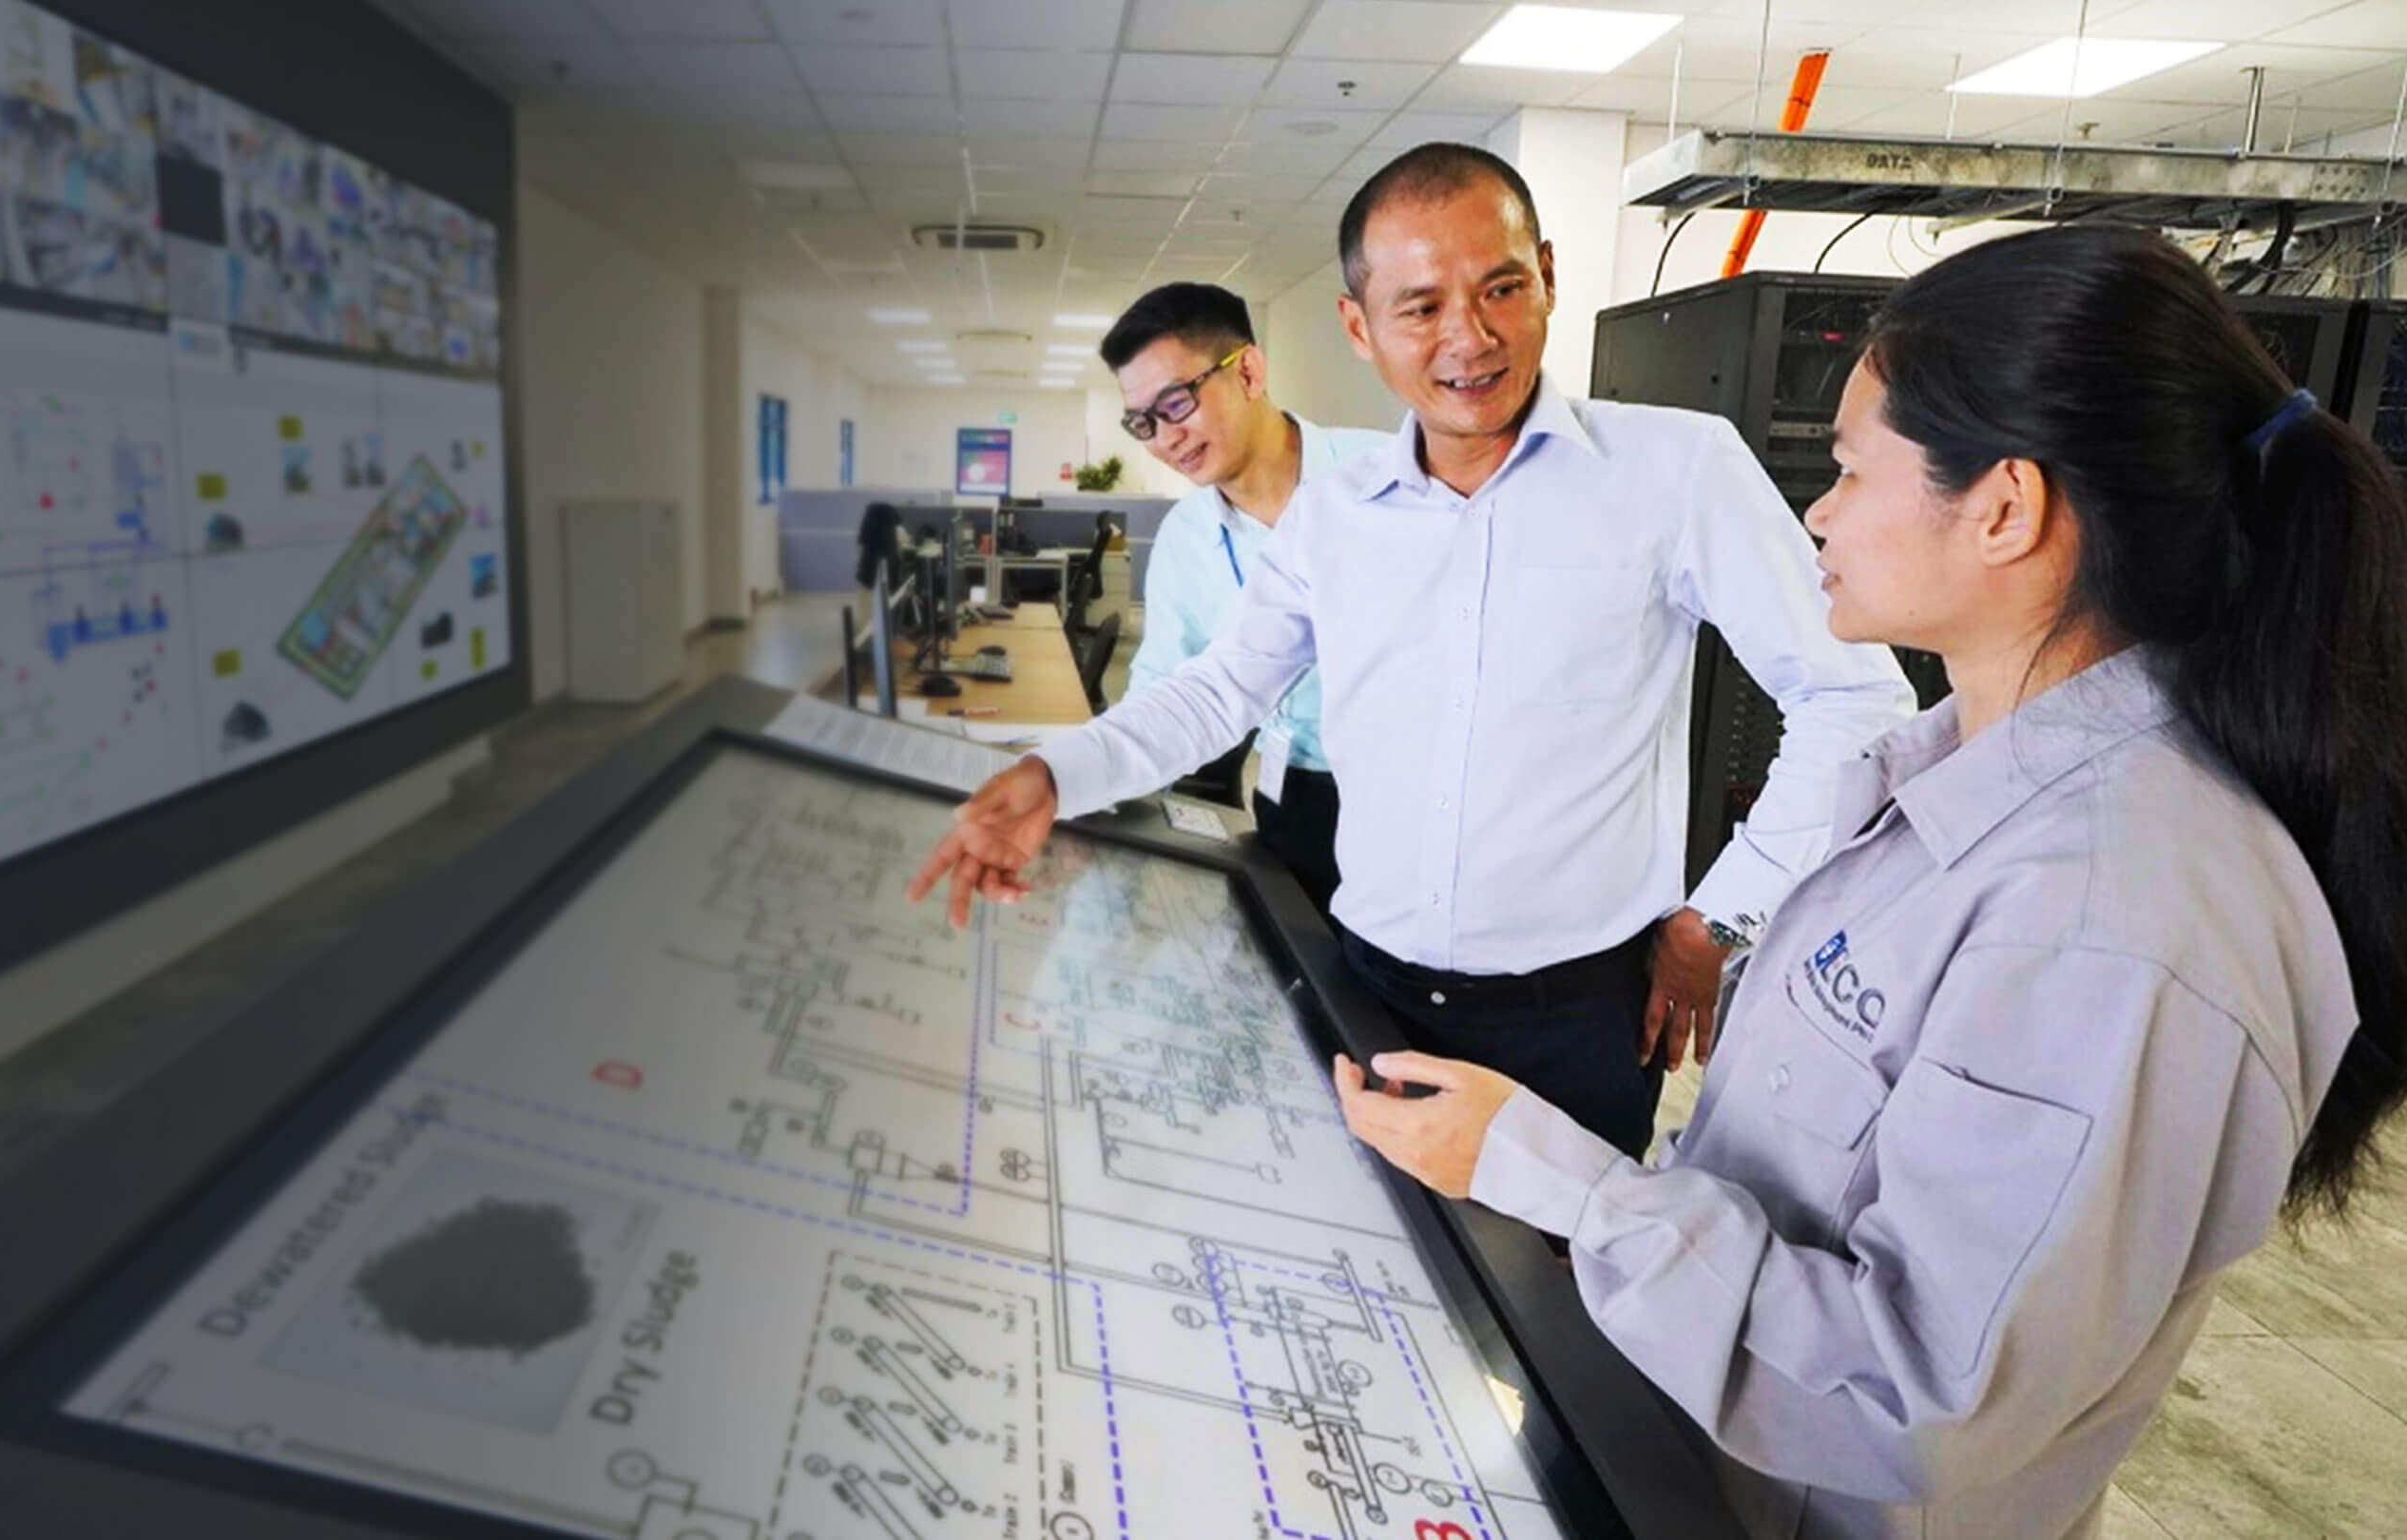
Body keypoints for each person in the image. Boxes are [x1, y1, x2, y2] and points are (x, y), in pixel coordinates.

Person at [1332, 222, 2407, 1539]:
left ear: (2004, 506)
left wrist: (1563, 1180)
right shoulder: (1954, 781)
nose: (1818, 511)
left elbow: (1915, 1403)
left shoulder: (2116, 917)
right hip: (1700, 1462)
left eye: (1848, 470)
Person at [908, 143, 1915, 1158]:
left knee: (1554, 1301)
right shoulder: (1332, 513)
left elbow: (1856, 699)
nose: (1469, 339)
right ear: (1359, 326)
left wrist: (1722, 919)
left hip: (1576, 1020)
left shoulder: (1675, 471)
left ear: (1550, 278)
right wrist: (1052, 774)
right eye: (1420, 306)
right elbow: (1216, 692)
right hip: (1371, 989)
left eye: (1502, 287)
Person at [1101, 282, 1393, 915]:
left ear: (1250, 371)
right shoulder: (1187, 535)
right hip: (1289, 793)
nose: (1164, 439)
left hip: (1408, 799)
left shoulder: (1388, 477)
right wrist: (1077, 774)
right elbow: (1159, 684)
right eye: (1142, 423)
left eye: (1176, 403)